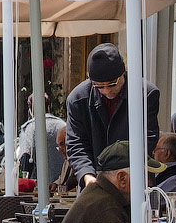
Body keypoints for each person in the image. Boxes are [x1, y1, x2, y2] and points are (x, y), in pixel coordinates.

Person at [65, 43, 159, 188]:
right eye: (99, 86)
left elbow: (148, 138)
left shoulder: (145, 94)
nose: (107, 91)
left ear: (123, 73)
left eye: (112, 84)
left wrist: (120, 175)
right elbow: (76, 143)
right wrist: (87, 175)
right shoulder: (77, 99)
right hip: (93, 180)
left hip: (131, 179)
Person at [17, 94, 67, 183]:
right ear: (48, 106)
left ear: (30, 109)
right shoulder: (63, 125)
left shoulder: (30, 127)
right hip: (62, 182)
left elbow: (26, 157)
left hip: (38, 184)